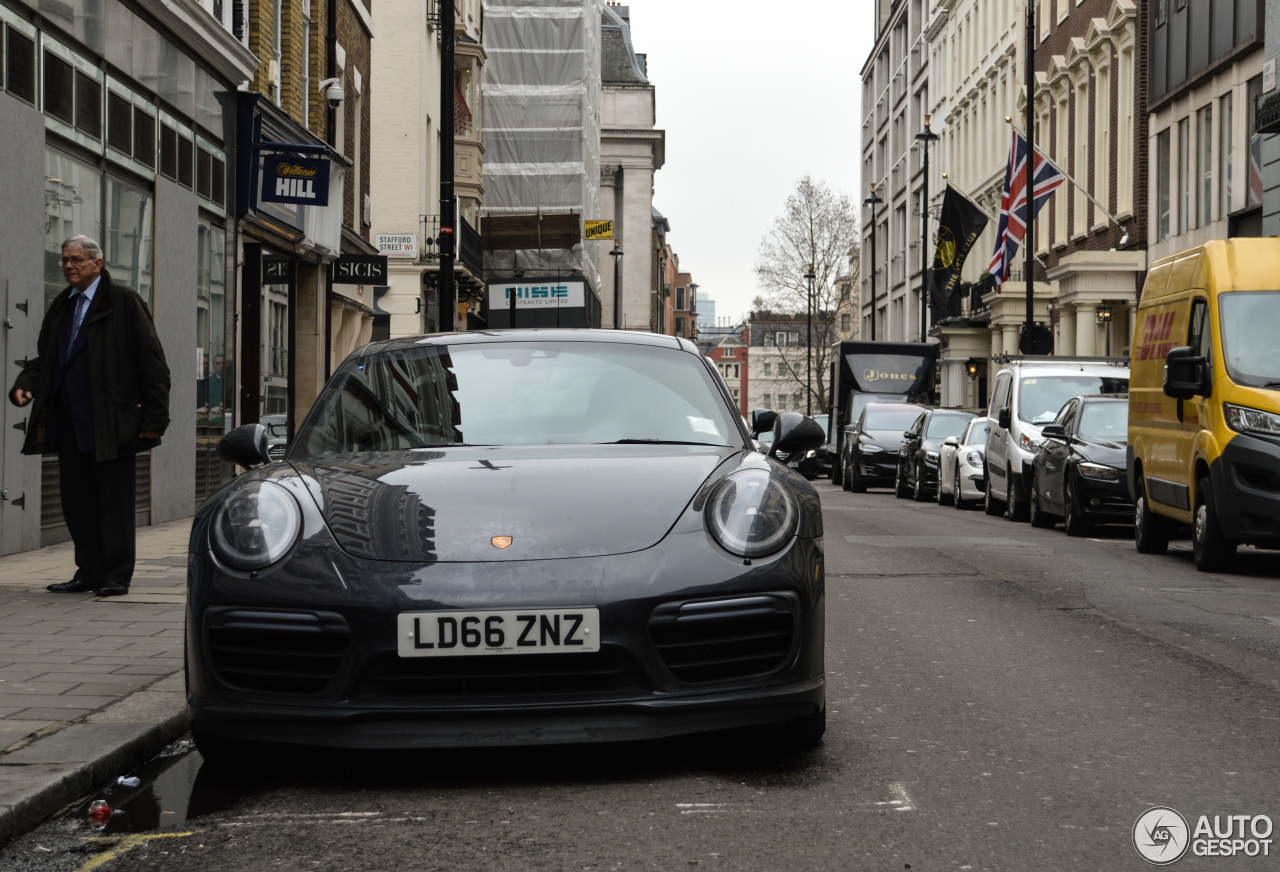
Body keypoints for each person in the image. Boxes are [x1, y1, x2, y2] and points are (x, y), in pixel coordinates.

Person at [9, 236, 171, 597]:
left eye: (77, 260)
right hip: (69, 424)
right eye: (65, 260)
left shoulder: (124, 301)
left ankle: (115, 575)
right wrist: (27, 383)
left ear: (98, 264)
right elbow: (46, 360)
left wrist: (154, 420)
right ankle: (88, 572)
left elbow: (153, 362)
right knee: (77, 503)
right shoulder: (63, 306)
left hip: (112, 423)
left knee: (113, 504)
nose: (69, 266)